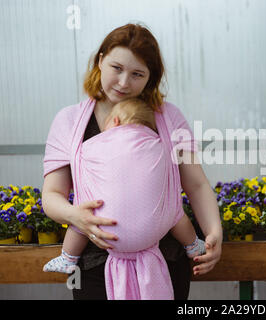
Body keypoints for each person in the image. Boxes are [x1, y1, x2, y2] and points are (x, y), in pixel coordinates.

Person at [41, 23, 222, 300]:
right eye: (116, 68)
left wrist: (214, 231)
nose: (124, 83)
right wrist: (74, 216)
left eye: (137, 74)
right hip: (92, 267)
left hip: (166, 261)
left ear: (150, 78)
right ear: (100, 61)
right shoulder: (69, 121)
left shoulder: (169, 118)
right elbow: (52, 194)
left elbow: (196, 184)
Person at [43, 98, 206, 279]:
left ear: (115, 121)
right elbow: (190, 180)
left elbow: (78, 162)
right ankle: (193, 246)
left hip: (102, 232)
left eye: (137, 74)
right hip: (157, 233)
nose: (124, 81)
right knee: (175, 213)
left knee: (81, 221)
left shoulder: (90, 146)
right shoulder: (162, 143)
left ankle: (67, 258)